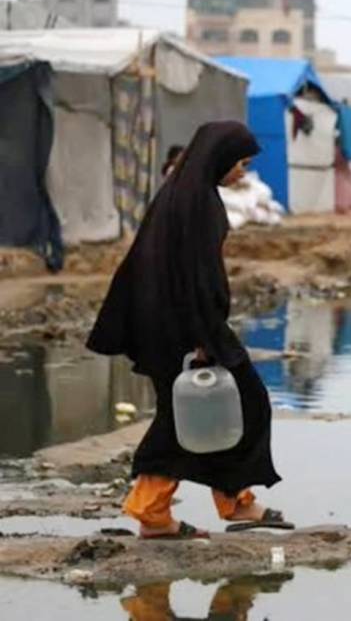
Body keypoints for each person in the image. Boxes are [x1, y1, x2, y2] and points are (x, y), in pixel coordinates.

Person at [87, 121, 289, 539]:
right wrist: (203, 338)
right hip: (184, 326)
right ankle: (159, 509)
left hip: (169, 322)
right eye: (241, 163)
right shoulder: (196, 200)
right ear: (220, 157)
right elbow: (194, 277)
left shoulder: (185, 193)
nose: (242, 173)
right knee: (226, 405)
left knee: (207, 411)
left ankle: (225, 502)